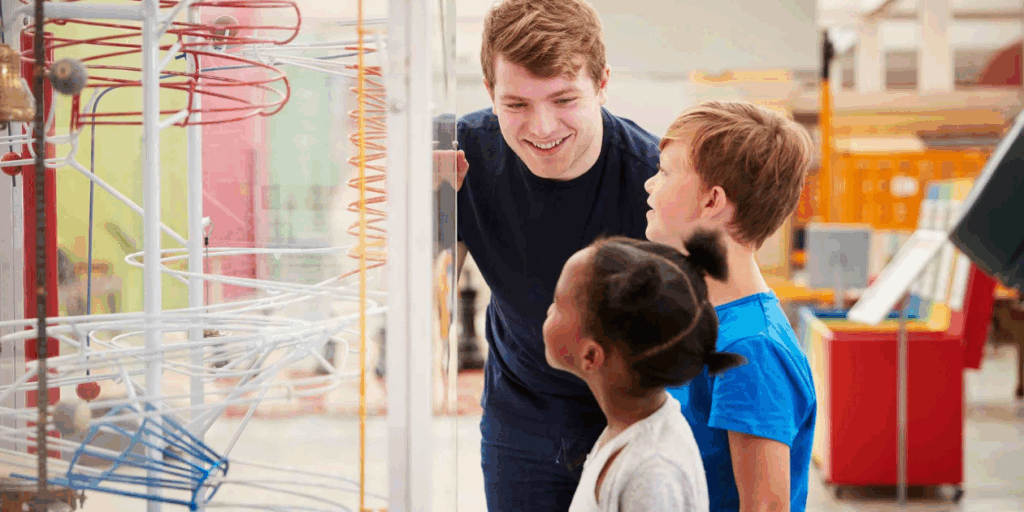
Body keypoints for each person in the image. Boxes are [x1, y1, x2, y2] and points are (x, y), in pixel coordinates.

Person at [447, 0, 660, 509]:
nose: (542, 128)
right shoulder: (460, 155)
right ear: (489, 93)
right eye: (516, 105)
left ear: (603, 83)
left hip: (634, 418)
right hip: (518, 420)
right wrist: (420, 201)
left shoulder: (654, 177)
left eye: (564, 99)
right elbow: (419, 296)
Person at [644, 100, 818, 512]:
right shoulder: (704, 321)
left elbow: (765, 507)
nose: (650, 184)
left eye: (665, 172)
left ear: (712, 201)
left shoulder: (751, 349)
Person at [542, 231, 746, 512]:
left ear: (590, 355)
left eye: (557, 302)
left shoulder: (653, 473)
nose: (548, 309)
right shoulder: (629, 430)